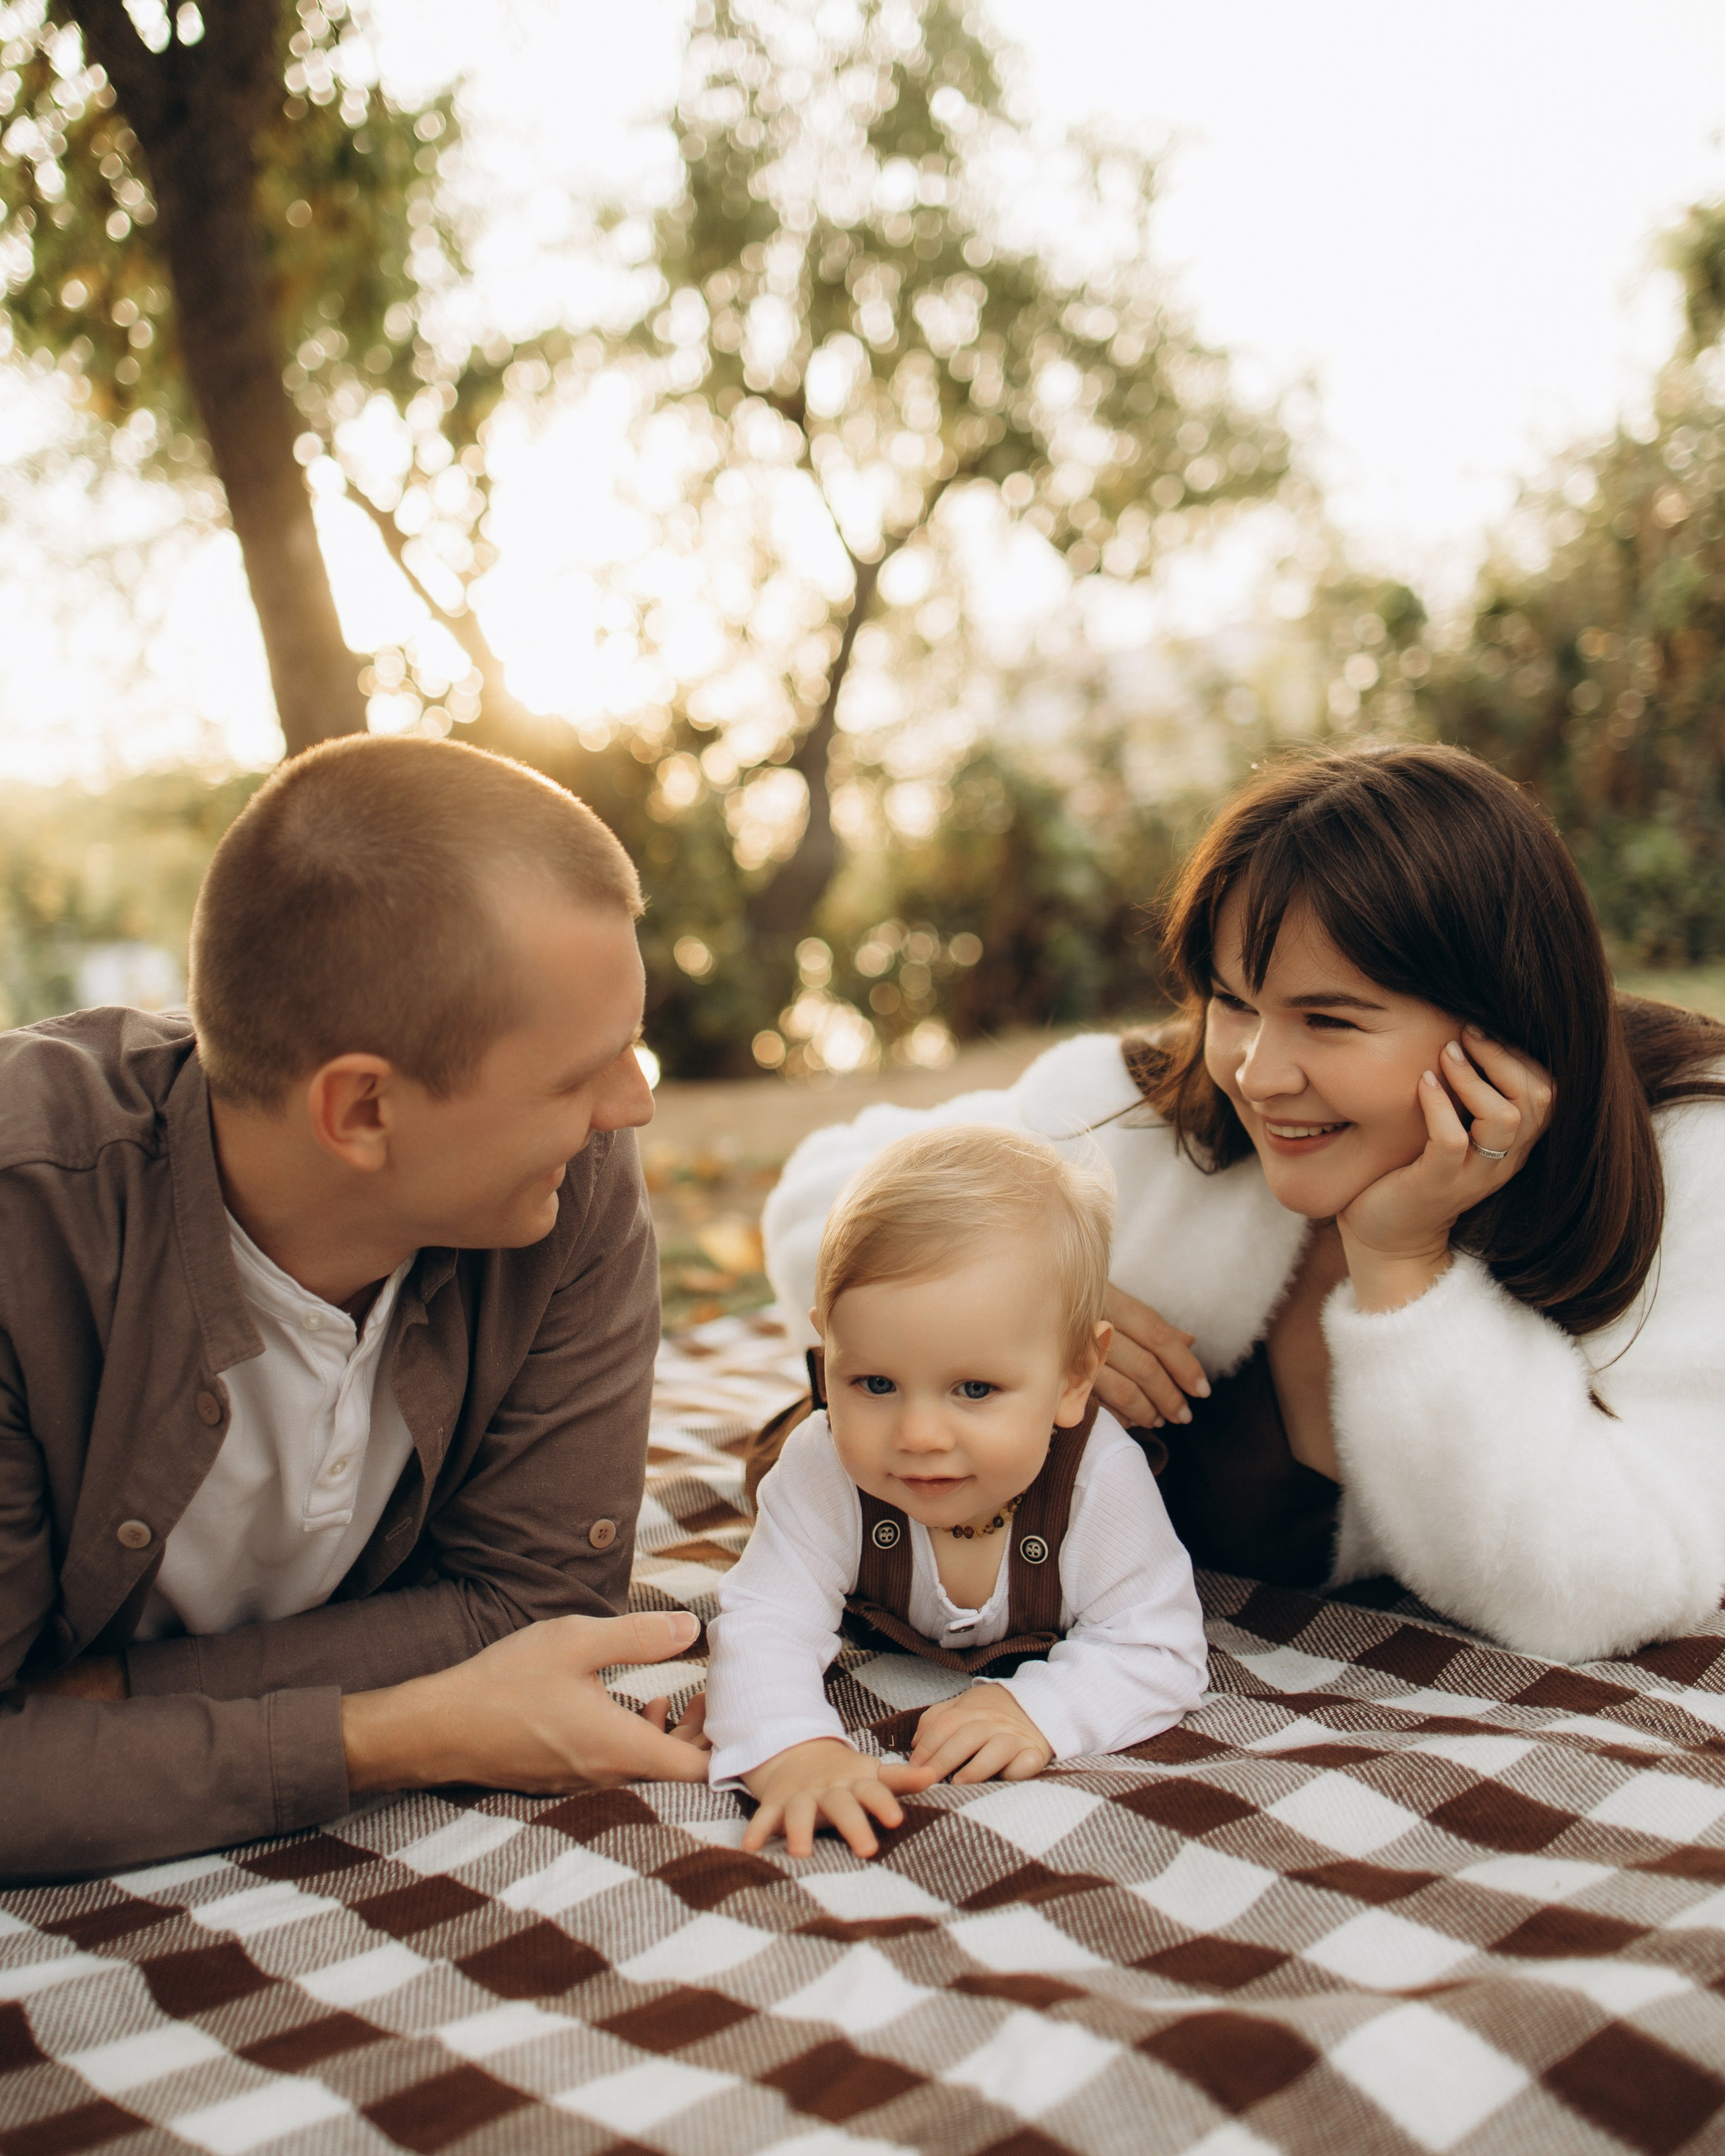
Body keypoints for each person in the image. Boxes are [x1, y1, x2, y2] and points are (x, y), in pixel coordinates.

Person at [762, 743, 1725, 1667]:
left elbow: (1610, 1588)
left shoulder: (1688, 1169)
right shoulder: (1141, 1117)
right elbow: (825, 1192)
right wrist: (1019, 1298)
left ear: (1502, 1023)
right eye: (1234, 1003)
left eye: (1329, 1020)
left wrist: (1404, 1267)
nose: (1257, 1074)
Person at [0, 735, 705, 1884]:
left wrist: (115, 1703)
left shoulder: (568, 1185)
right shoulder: (26, 1229)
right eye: (580, 1074)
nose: (631, 1106)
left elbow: (538, 1606)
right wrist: (391, 1733)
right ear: (363, 1109)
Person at [707, 1128, 1208, 1858]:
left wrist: (1038, 1709)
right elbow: (763, 1622)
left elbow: (1158, 1645)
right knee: (781, 1467)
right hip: (814, 1477)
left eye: (974, 1389)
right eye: (873, 1382)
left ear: (1074, 1376)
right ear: (828, 1353)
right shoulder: (825, 1467)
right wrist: (790, 1749)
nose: (919, 1435)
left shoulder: (1097, 1479)